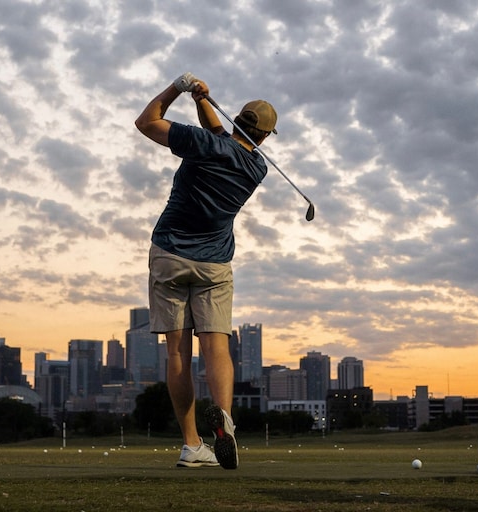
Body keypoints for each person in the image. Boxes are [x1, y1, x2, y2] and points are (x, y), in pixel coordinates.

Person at [134, 72, 277, 469]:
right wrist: (203, 102)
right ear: (265, 137)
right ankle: (225, 422)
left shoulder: (202, 145)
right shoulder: (256, 169)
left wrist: (178, 89)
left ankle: (192, 443)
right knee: (217, 346)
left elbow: (146, 122)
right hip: (215, 264)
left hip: (170, 254)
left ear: (236, 121)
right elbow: (223, 140)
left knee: (178, 354)